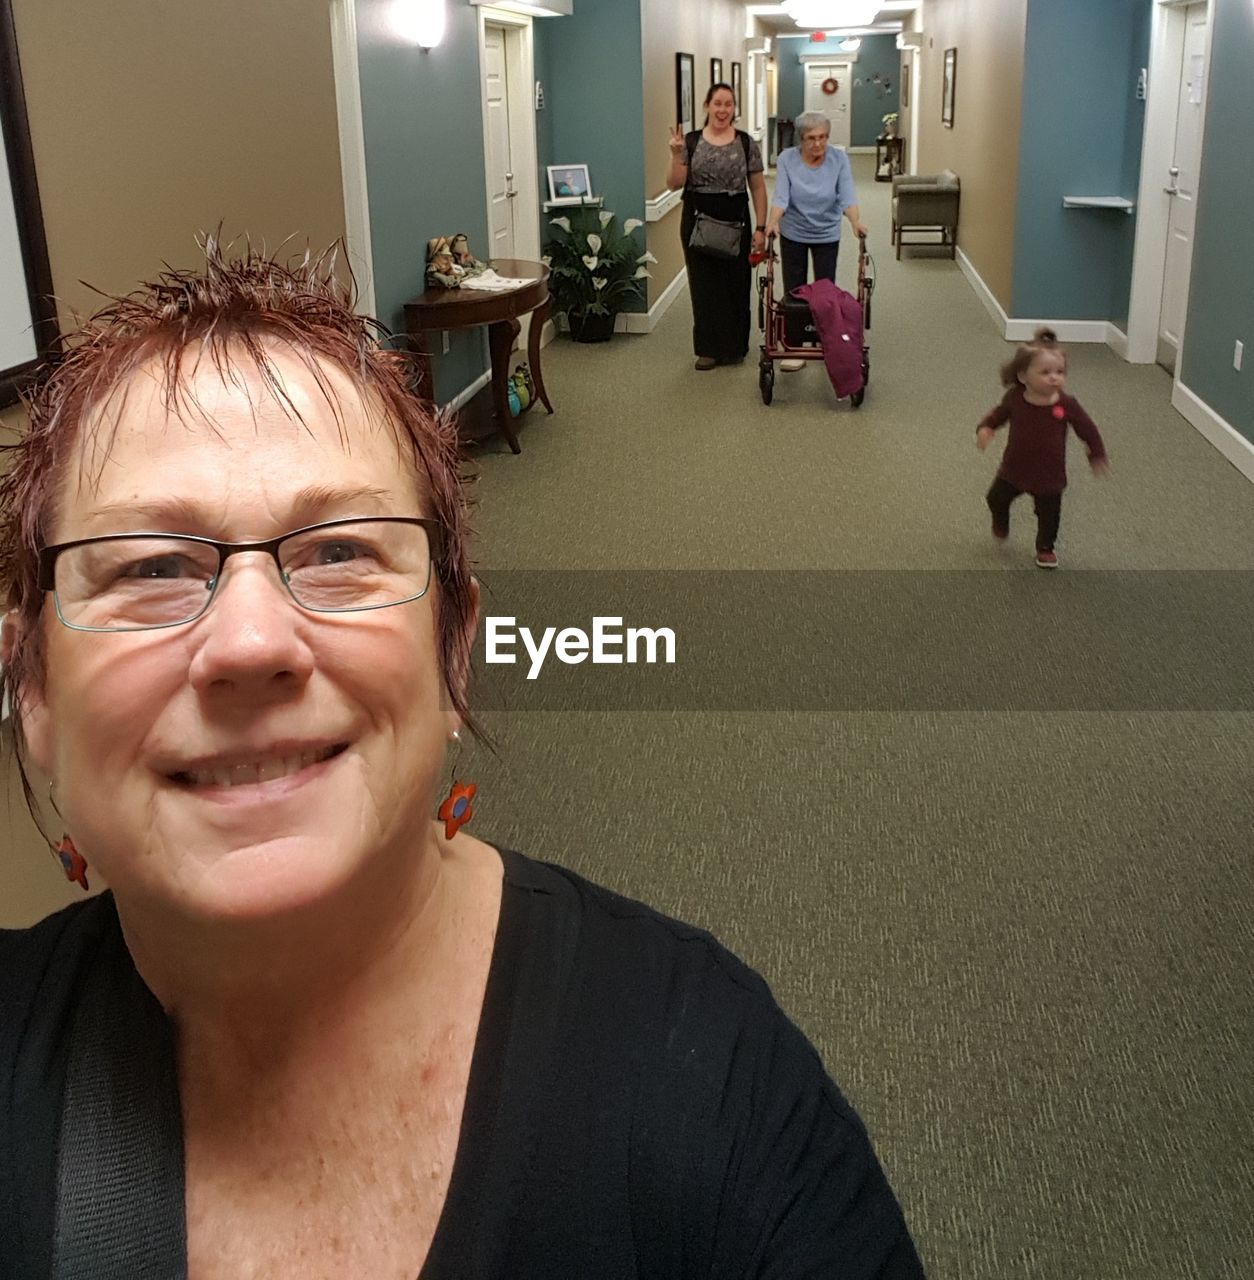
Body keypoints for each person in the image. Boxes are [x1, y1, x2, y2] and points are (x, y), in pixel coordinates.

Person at [0, 244, 925, 1277]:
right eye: (153, 566)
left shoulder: (713, 1082)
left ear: (454, 653)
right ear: (31, 684)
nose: (252, 642)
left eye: (340, 551)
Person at [976, 327, 1109, 569]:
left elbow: (1087, 429)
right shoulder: (1015, 399)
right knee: (995, 498)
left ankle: (1045, 548)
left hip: (1050, 474)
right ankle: (1001, 521)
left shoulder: (1067, 405)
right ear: (1024, 376)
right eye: (1045, 372)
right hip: (1014, 468)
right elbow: (998, 415)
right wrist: (986, 428)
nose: (1054, 377)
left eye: (1060, 372)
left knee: (1049, 516)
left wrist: (1096, 453)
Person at [666, 82, 768, 370]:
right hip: (698, 218)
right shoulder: (690, 142)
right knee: (704, 286)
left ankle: (735, 346)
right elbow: (673, 184)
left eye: (728, 104)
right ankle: (708, 349)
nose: (723, 110)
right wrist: (675, 154)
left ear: (734, 108)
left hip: (736, 217)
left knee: (736, 284)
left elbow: (758, 188)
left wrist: (761, 228)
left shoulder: (747, 143)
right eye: (718, 103)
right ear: (707, 106)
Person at [764, 111, 868, 373]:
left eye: (823, 137)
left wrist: (855, 221)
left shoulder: (838, 159)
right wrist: (773, 221)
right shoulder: (788, 159)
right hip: (794, 231)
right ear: (801, 139)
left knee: (825, 292)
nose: (818, 144)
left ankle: (825, 339)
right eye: (812, 138)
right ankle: (794, 344)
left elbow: (847, 194)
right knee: (795, 289)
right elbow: (781, 197)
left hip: (826, 233)